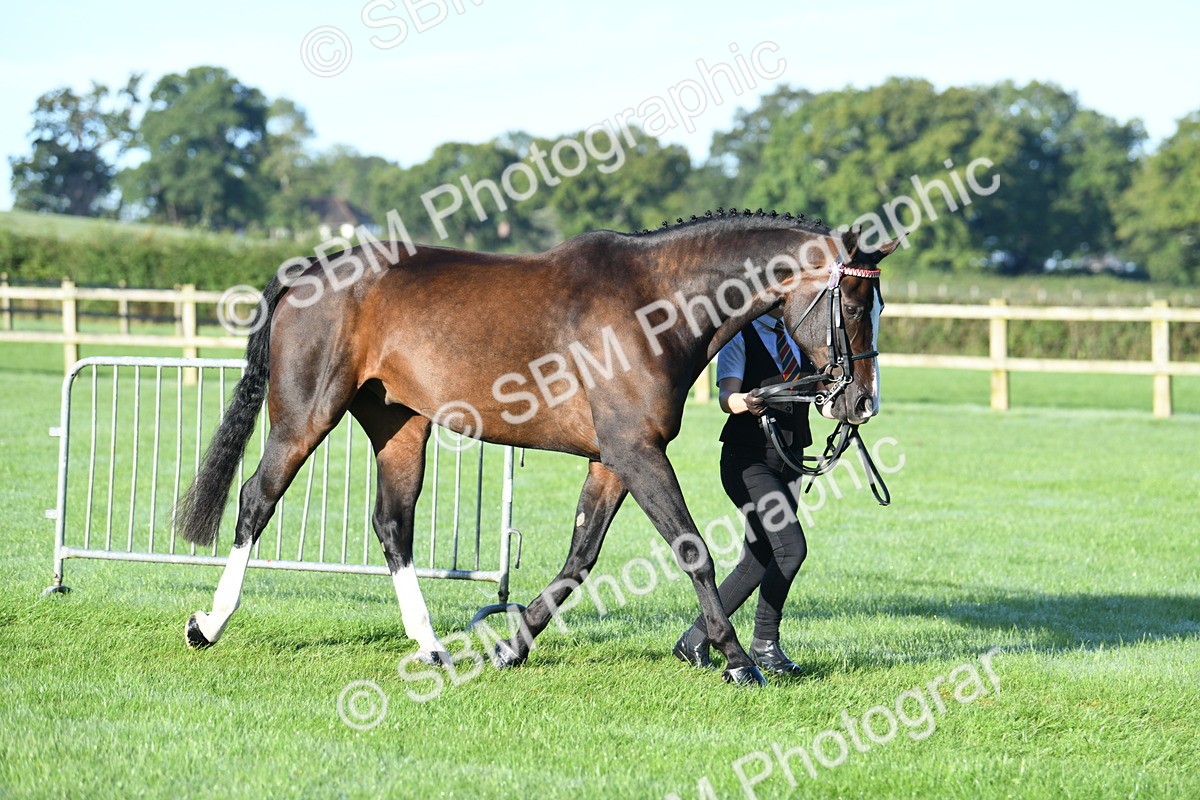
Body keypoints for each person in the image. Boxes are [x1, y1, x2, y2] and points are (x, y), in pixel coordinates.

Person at [673, 307, 812, 676]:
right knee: (791, 548)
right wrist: (746, 402)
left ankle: (694, 638)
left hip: (791, 458)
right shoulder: (741, 333)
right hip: (749, 461)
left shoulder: (799, 335)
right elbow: (727, 398)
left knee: (757, 560)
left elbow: (819, 398)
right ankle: (765, 645)